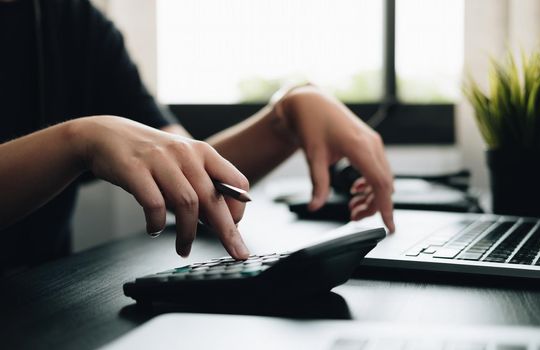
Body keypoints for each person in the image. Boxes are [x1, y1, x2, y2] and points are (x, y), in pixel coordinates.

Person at [0, 0, 394, 273]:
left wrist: (283, 119)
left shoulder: (74, 20)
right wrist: (78, 140)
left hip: (43, 306)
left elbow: (184, 172)